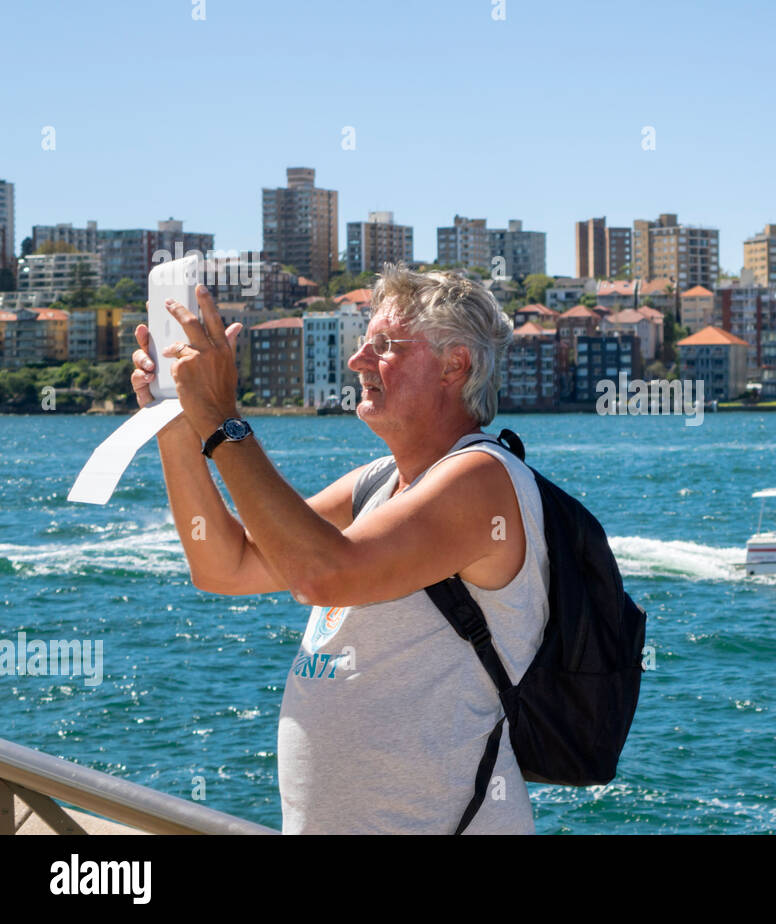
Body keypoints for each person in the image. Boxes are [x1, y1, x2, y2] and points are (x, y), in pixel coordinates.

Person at [130, 263, 546, 834]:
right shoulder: (377, 483)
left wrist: (223, 419)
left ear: (456, 364)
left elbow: (322, 576)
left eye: (383, 346)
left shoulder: (481, 478)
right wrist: (178, 420)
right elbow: (223, 565)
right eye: (361, 344)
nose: (357, 362)